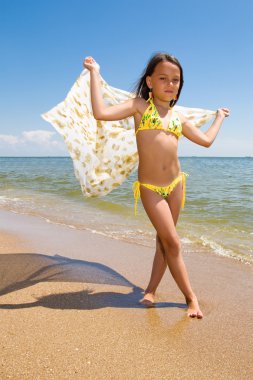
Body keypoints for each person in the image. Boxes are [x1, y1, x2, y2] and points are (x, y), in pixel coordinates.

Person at [83, 53, 229, 319]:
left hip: (176, 185)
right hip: (150, 188)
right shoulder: (140, 107)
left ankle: (150, 291)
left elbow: (206, 141)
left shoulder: (179, 118)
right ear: (150, 81)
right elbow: (101, 113)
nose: (170, 84)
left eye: (176, 80)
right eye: (163, 78)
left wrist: (218, 117)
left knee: (163, 242)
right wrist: (95, 73)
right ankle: (191, 298)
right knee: (173, 242)